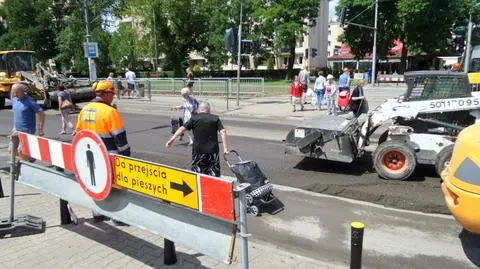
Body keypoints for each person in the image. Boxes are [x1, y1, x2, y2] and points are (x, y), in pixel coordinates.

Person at [76, 80, 131, 225]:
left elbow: (78, 133)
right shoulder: (110, 112)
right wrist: (126, 158)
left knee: (96, 185)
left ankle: (98, 213)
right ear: (106, 94)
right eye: (112, 94)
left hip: (91, 155)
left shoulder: (85, 109)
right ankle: (118, 218)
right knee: (115, 189)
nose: (113, 97)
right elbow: (120, 139)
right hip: (109, 157)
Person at [166, 101, 229, 177]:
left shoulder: (194, 118)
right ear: (209, 110)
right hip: (212, 151)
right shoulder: (215, 118)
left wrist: (171, 140)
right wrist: (225, 148)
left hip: (198, 151)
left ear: (198, 110)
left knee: (197, 173)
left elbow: (182, 128)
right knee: (213, 173)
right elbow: (223, 131)